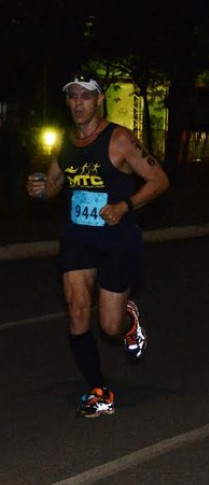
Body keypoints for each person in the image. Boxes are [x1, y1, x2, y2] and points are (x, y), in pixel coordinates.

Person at [25, 73, 170, 418]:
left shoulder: (119, 140)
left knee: (109, 326)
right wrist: (40, 189)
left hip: (117, 240)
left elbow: (159, 180)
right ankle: (99, 390)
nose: (78, 103)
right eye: (72, 96)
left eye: (85, 97)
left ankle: (128, 320)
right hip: (78, 238)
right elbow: (54, 186)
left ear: (99, 100)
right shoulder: (65, 142)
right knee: (76, 311)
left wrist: (125, 206)